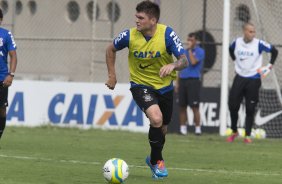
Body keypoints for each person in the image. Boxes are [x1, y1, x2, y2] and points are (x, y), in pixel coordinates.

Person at [105, 1, 188, 179]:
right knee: (156, 118)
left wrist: (173, 65)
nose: (137, 21)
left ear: (153, 20)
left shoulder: (167, 34)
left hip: (165, 87)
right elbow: (110, 49)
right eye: (136, 17)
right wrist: (112, 75)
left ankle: (153, 158)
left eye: (141, 18)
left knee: (163, 128)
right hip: (140, 85)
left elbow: (184, 60)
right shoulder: (129, 35)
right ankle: (157, 161)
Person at [227, 22, 278, 143]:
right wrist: (235, 61)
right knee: (233, 106)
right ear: (244, 31)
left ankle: (247, 135)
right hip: (239, 77)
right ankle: (234, 131)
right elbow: (230, 49)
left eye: (254, 31)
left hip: (254, 79)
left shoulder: (259, 44)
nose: (253, 34)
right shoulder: (237, 42)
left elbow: (274, 51)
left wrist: (269, 66)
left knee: (250, 108)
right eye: (250, 31)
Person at [175, 32, 205, 135]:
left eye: (191, 40)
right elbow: (180, 67)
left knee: (194, 106)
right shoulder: (183, 51)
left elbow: (193, 62)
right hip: (183, 80)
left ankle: (198, 129)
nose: (189, 42)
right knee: (182, 106)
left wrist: (190, 50)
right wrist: (177, 83)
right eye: (188, 40)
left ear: (195, 41)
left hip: (193, 81)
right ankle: (183, 129)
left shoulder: (200, 51)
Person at [0, 8, 17, 141]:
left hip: (2, 78)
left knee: (1, 110)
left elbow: (13, 56)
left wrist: (11, 75)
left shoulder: (6, 34)